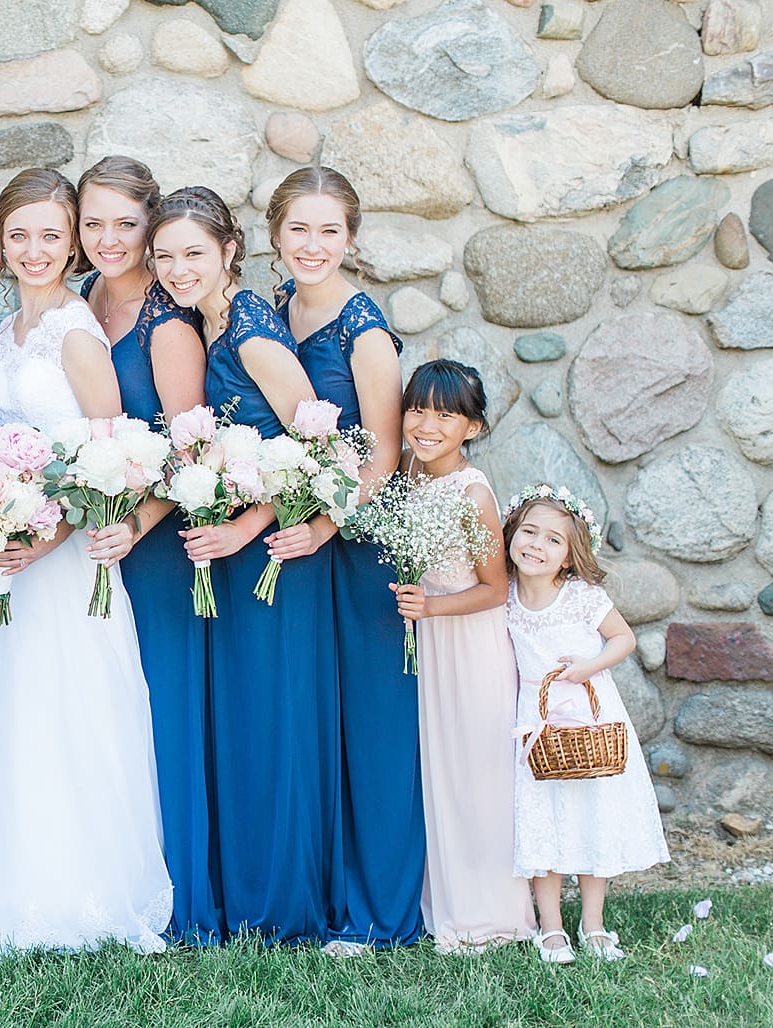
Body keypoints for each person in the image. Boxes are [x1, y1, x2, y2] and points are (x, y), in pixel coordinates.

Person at [0, 168, 171, 961]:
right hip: (5, 552)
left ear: (72, 244)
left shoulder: (73, 330)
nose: (34, 251)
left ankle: (78, 889)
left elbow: (114, 457)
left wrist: (51, 536)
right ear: (1, 243)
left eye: (50, 236)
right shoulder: (8, 330)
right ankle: (4, 878)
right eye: (19, 236)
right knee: (10, 712)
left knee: (68, 710)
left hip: (62, 562)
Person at [150, 186, 334, 945]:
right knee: (242, 721)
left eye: (193, 252)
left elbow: (322, 446)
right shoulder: (209, 321)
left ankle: (280, 908)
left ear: (229, 251)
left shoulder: (253, 333)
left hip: (274, 558)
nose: (176, 268)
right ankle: (241, 895)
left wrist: (248, 526)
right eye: (163, 255)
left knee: (271, 720)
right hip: (233, 552)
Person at [264, 166, 423, 953]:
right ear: (274, 236)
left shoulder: (363, 332)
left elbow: (383, 456)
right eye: (299, 229)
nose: (313, 245)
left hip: (360, 550)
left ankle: (375, 911)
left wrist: (324, 527)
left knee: (368, 723)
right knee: (307, 717)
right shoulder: (275, 313)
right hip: (299, 545)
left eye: (329, 231)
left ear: (350, 239)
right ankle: (311, 891)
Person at [75, 155, 219, 945]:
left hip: (152, 544)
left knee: (157, 711)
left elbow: (190, 451)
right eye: (91, 222)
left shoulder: (166, 322)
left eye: (125, 224)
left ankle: (178, 891)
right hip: (88, 541)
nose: (106, 238)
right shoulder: (84, 300)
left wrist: (137, 524)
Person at [391, 361, 536, 953]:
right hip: (429, 642)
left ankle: (491, 914)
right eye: (418, 409)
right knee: (438, 772)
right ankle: (441, 899)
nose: (427, 425)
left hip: (469, 645)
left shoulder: (472, 493)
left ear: (472, 428)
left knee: (477, 776)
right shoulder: (408, 474)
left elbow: (495, 589)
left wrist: (430, 609)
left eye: (445, 415)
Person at [502, 485, 669, 964]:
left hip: (592, 715)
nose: (538, 544)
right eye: (530, 532)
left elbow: (623, 639)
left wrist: (589, 666)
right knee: (543, 820)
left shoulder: (580, 596)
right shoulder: (505, 597)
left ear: (570, 555)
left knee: (593, 816)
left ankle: (593, 922)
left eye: (554, 540)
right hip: (538, 721)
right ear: (512, 532)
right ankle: (551, 928)